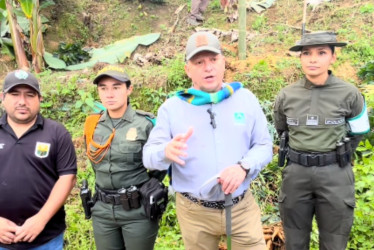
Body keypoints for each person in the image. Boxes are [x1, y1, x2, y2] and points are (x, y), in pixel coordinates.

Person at [143, 31, 273, 250]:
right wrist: (165, 152)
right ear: (188, 69)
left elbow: (264, 146)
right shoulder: (172, 108)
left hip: (241, 209)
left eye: (213, 59)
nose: (208, 67)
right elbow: (149, 157)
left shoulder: (245, 99)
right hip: (195, 212)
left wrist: (244, 166)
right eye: (199, 61)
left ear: (223, 62)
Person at [273, 31, 370, 250]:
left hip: (335, 174)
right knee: (295, 243)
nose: (313, 59)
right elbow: (282, 129)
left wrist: (338, 155)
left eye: (321, 52)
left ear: (333, 57)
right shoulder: (287, 95)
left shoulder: (349, 93)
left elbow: (359, 130)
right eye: (307, 53)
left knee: (334, 243)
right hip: (297, 174)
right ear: (300, 58)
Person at [0, 70, 77, 249]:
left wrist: (40, 220)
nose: (22, 101)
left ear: (39, 99)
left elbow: (68, 178)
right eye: (14, 94)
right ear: (3, 97)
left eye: (29, 95)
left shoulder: (57, 133)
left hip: (47, 239)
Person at [84, 65, 159, 250]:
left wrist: (148, 190)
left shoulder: (145, 124)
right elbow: (96, 163)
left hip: (137, 211)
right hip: (102, 211)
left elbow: (160, 163)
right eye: (103, 88)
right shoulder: (93, 124)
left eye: (116, 87)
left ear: (129, 89)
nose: (109, 94)